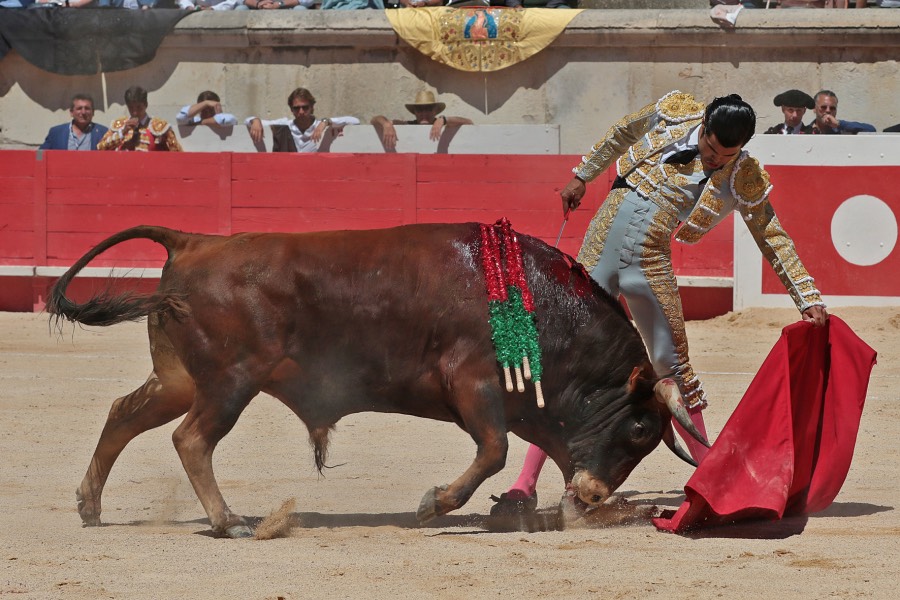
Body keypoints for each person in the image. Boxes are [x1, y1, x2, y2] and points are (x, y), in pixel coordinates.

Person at [490, 91, 828, 516]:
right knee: (562, 363)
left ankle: (711, 481)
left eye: (727, 155)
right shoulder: (675, 112)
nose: (714, 160)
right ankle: (524, 483)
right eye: (710, 149)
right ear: (702, 126)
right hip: (598, 255)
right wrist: (582, 174)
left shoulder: (743, 174)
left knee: (675, 366)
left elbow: (771, 234)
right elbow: (620, 133)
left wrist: (806, 294)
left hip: (649, 262)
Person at [245, 87, 359, 152]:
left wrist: (326, 122)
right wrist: (255, 120)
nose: (301, 112)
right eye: (296, 108)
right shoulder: (286, 124)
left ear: (312, 107)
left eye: (305, 107)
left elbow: (354, 121)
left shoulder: (320, 125)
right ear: (291, 109)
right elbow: (248, 121)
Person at [370, 91, 473, 151]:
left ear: (435, 111)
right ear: (415, 112)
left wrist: (444, 119)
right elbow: (374, 120)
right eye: (419, 109)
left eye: (428, 109)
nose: (424, 113)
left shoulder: (442, 122)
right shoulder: (408, 125)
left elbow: (469, 122)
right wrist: (386, 123)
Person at [98, 86, 182, 152]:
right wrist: (122, 132)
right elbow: (100, 148)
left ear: (146, 105)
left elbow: (177, 154)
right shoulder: (119, 125)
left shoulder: (160, 127)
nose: (135, 112)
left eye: (139, 107)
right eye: (131, 108)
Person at [39, 93, 109, 151]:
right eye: (79, 108)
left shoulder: (103, 133)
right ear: (71, 112)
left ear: (93, 112)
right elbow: (40, 155)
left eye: (87, 108)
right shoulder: (56, 132)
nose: (83, 112)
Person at [803, 90, 876, 135]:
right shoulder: (804, 132)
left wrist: (839, 124)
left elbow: (871, 130)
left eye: (832, 108)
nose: (828, 111)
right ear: (814, 109)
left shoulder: (842, 130)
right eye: (823, 107)